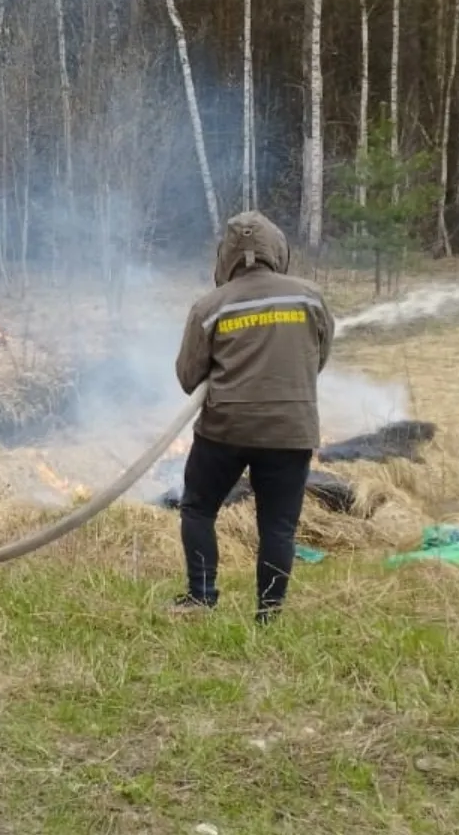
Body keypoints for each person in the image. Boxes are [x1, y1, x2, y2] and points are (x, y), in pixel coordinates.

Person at [171, 211, 333, 623]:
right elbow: (318, 358)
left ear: (225, 257)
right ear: (277, 250)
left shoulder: (209, 306)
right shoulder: (310, 297)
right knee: (278, 527)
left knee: (198, 509)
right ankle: (269, 614)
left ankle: (201, 597)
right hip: (291, 429)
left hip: (225, 429)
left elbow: (189, 377)